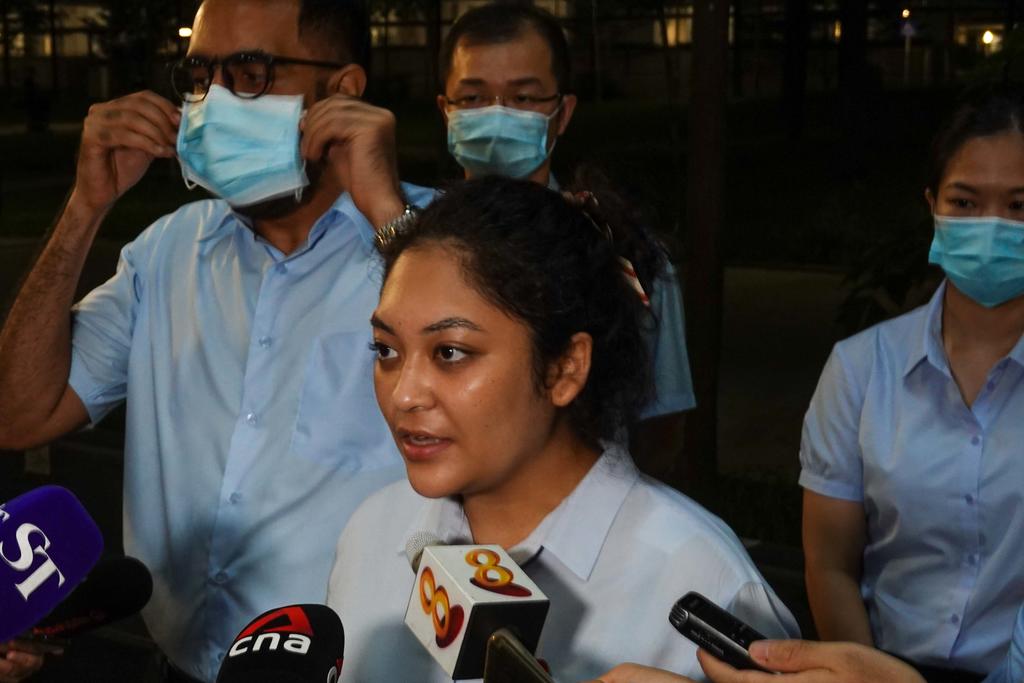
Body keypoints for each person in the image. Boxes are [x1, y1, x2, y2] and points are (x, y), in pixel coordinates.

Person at [0, 1, 431, 681]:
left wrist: (387, 215)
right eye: (200, 76)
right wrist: (86, 207)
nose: (215, 101)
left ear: (343, 91)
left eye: (251, 71)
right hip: (182, 665)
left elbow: (492, 386)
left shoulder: (434, 242)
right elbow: (18, 412)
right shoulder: (168, 252)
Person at [326, 176, 798, 682]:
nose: (404, 394)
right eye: (386, 351)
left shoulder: (704, 583)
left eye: (451, 353)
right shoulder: (373, 530)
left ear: (564, 368)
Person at [799, 82, 1024, 679]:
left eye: (1019, 206)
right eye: (967, 203)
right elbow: (829, 565)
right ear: (932, 205)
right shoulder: (860, 368)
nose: (993, 227)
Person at [435, 3, 695, 471]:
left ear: (562, 112)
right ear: (446, 110)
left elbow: (662, 426)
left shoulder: (626, 258)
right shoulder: (413, 245)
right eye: (473, 98)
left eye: (524, 98)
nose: (497, 115)